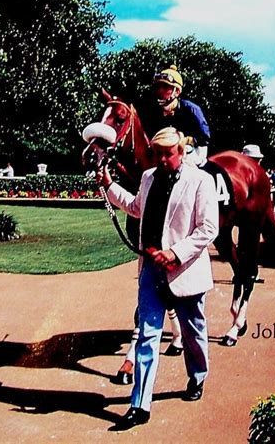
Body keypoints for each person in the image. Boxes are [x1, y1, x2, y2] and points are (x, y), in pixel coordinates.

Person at [99, 126, 218, 430]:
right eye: (158, 154)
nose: (163, 159)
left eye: (168, 154)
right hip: (151, 270)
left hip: (184, 270)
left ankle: (198, 376)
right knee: (147, 335)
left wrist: (175, 253)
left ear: (181, 152)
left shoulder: (201, 181)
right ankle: (140, 405)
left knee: (193, 333)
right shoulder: (148, 177)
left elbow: (208, 228)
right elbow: (136, 208)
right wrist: (110, 185)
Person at [138, 65, 210, 166]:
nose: (160, 91)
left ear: (177, 92)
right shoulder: (153, 111)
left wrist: (186, 140)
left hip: (193, 150)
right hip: (165, 151)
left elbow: (205, 137)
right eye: (158, 87)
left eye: (166, 87)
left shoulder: (192, 109)